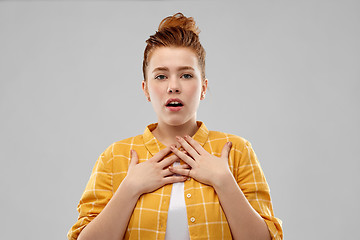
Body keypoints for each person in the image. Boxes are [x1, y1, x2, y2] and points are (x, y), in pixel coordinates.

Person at [68, 12, 283, 240]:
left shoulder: (237, 151)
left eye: (186, 75)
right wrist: (130, 188)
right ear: (145, 89)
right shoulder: (114, 157)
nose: (173, 86)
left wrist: (224, 182)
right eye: (161, 76)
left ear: (204, 87)